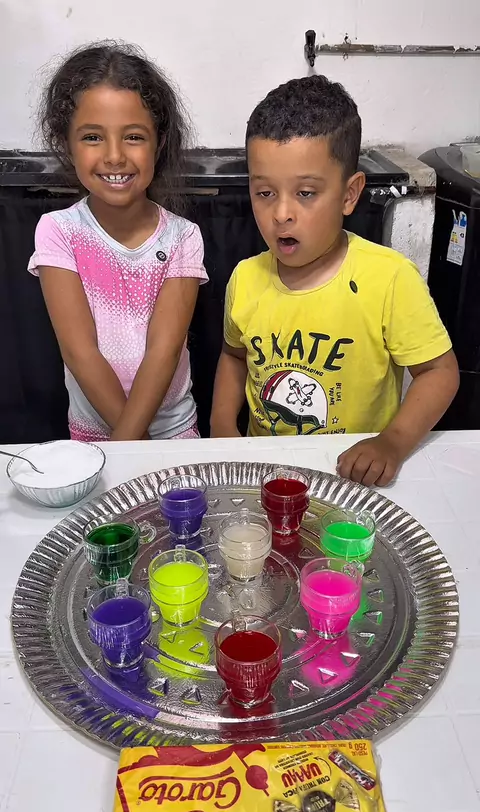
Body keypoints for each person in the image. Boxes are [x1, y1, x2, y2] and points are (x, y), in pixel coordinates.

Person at [210, 75, 459, 486]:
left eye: (305, 193)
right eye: (265, 193)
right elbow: (234, 357)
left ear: (349, 194)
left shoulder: (389, 278)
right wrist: (221, 426)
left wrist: (393, 442)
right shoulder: (245, 278)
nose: (281, 214)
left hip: (352, 479)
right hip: (266, 477)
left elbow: (439, 372)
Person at [29, 42, 207, 442]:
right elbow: (80, 353)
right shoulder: (58, 231)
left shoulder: (183, 237)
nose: (114, 156)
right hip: (94, 438)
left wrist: (135, 449)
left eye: (133, 137)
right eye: (93, 137)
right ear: (66, 142)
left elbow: (163, 353)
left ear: (159, 142)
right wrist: (130, 448)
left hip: (174, 435)